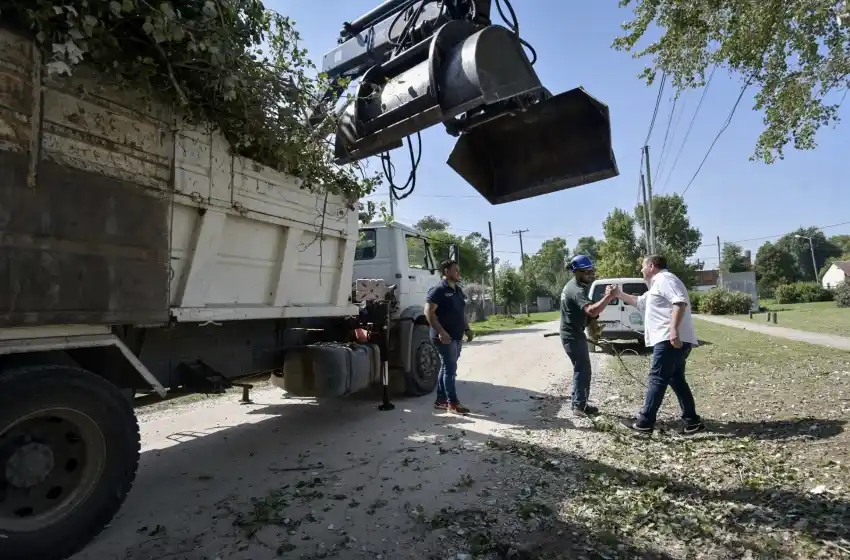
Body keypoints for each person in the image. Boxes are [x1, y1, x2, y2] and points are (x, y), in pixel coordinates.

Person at [612, 255, 705, 434]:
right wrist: (618, 294)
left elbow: (679, 302)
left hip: (669, 340)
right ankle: (692, 421)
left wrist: (673, 330)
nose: (641, 270)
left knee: (657, 378)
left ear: (651, 266)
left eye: (643, 266)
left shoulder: (665, 279)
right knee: (676, 380)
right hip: (672, 340)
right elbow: (640, 302)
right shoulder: (656, 285)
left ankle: (645, 422)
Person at [560, 255, 617, 416]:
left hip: (574, 333)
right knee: (582, 369)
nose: (591, 274)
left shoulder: (577, 286)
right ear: (578, 272)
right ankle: (579, 406)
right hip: (572, 336)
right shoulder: (576, 290)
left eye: (591, 271)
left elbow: (588, 311)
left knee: (582, 368)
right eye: (587, 272)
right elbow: (591, 310)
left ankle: (579, 403)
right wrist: (609, 297)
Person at [425, 260, 474, 414]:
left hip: (457, 335)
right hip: (444, 337)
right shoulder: (438, 290)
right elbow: (428, 312)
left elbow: (461, 312)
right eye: (456, 270)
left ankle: (441, 400)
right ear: (446, 271)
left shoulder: (458, 290)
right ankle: (452, 404)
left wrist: (467, 328)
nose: (459, 272)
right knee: (450, 369)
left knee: (447, 367)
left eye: (459, 270)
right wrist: (440, 331)